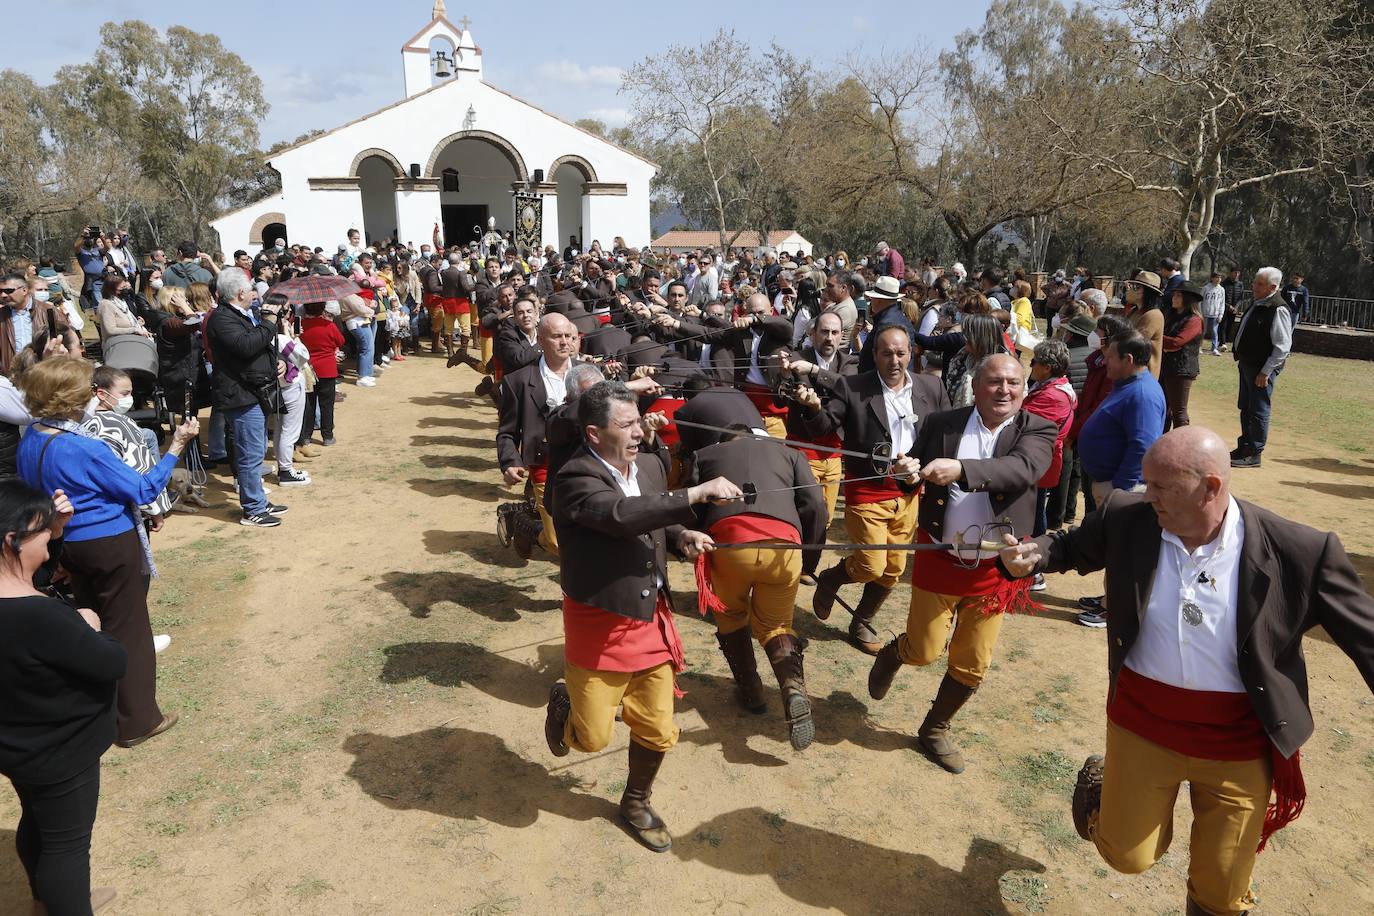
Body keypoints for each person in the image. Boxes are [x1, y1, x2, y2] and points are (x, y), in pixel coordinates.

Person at [997, 426, 1374, 916]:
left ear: (1210, 488)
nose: (1147, 495)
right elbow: (1068, 547)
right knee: (1127, 856)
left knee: (1221, 891)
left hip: (1238, 743)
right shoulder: (1129, 518)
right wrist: (1033, 556)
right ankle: (1099, 791)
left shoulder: (1300, 551)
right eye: (1147, 483)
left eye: (1162, 487)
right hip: (1143, 724)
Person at [543, 381, 739, 852]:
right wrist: (695, 494)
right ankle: (566, 707)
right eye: (626, 424)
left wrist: (680, 536)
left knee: (658, 726)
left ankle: (635, 801)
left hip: (650, 615)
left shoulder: (648, 465)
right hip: (598, 622)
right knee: (592, 738)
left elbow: (654, 517)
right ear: (594, 433)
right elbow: (619, 515)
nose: (638, 431)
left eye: (638, 421)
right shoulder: (573, 478)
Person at [867, 353, 1055, 773]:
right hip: (940, 555)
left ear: (1024, 389)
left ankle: (935, 729)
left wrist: (961, 469)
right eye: (994, 382)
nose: (1004, 390)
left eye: (1013, 383)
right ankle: (895, 654)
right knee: (923, 650)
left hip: (997, 566)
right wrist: (906, 471)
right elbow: (911, 474)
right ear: (975, 386)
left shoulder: (1038, 428)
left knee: (973, 661)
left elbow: (1022, 469)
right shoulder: (942, 423)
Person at [15, 357, 198, 748]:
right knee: (128, 629)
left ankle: (104, 713)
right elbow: (144, 489)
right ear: (69, 397)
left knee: (92, 625)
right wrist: (175, 447)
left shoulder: (31, 438)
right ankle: (138, 722)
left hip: (66, 543)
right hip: (109, 544)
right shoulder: (84, 448)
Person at [0, 481, 128, 916]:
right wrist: (90, 626)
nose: (48, 540)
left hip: (16, 744)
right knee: (67, 846)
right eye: (42, 532)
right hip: (61, 749)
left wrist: (56, 530)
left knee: (38, 820)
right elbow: (112, 662)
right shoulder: (42, 616)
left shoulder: (17, 602)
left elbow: (26, 576)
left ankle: (44, 903)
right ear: (12, 540)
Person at [797, 324, 951, 654]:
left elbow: (945, 434)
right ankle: (831, 579)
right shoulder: (853, 387)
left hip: (909, 492)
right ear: (875, 354)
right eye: (886, 354)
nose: (894, 361)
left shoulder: (932, 386)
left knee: (894, 569)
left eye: (901, 353)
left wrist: (928, 468)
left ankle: (861, 621)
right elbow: (824, 428)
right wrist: (813, 408)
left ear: (911, 353)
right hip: (867, 491)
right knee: (870, 565)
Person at [687, 427, 826, 749]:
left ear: (723, 443)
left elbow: (691, 508)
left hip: (730, 545)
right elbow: (816, 505)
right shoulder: (791, 453)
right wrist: (809, 560)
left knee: (731, 616)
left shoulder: (705, 455)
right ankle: (792, 688)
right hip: (784, 549)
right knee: (776, 626)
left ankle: (751, 692)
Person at [204, 270, 287, 527]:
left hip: (252, 391)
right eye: (251, 289)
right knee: (250, 453)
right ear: (241, 293)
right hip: (240, 395)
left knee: (257, 449)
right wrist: (269, 323)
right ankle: (253, 509)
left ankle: (258, 500)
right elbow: (246, 346)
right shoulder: (222, 318)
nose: (254, 293)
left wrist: (277, 362)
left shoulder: (239, 314)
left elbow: (257, 347)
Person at [497, 313, 579, 557]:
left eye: (568, 336)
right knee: (557, 543)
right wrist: (510, 461)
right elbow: (507, 431)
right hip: (545, 464)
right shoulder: (518, 381)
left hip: (586, 461)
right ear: (541, 340)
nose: (564, 342)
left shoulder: (590, 374)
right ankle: (523, 524)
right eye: (557, 336)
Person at [781, 311, 857, 529]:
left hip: (834, 453)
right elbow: (779, 398)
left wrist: (814, 371)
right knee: (805, 514)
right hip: (803, 450)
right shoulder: (796, 357)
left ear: (842, 335)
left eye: (835, 332)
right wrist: (784, 376)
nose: (829, 338)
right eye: (824, 332)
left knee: (826, 519)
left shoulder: (849, 361)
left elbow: (849, 387)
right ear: (812, 334)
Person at [1076, 331, 1166, 504]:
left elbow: (1142, 447)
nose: (1105, 362)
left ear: (1128, 360)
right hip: (1107, 484)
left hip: (1118, 490)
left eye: (1110, 358)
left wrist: (1118, 490)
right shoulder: (1127, 383)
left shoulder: (1143, 395)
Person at [1230, 267, 1292, 469]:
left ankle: (1254, 452)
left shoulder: (1278, 308)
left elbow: (1282, 346)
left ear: (1273, 287)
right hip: (1247, 365)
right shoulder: (1258, 303)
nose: (1254, 287)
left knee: (1258, 410)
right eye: (1255, 282)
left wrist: (1266, 371)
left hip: (1261, 370)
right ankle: (1244, 447)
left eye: (1260, 284)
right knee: (1246, 408)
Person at [1022, 340, 1077, 545]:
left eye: (1034, 361)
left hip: (1039, 460)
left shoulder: (1053, 396)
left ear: (1047, 367)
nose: (1031, 365)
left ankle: (1038, 549)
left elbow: (1024, 422)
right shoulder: (1052, 387)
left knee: (1035, 511)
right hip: (1042, 458)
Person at [1, 272, 78, 375]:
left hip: (43, 374)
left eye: (8, 291)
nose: (3, 295)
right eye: (0, 291)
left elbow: (70, 341)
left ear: (24, 290)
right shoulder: (2, 315)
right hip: (11, 375)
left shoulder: (49, 311)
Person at [299, 302, 345, 447]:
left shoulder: (301, 325)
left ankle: (306, 436)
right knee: (327, 405)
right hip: (327, 368)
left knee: (309, 404)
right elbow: (340, 341)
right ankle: (327, 436)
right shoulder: (328, 325)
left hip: (308, 368)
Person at [1161, 280, 1204, 431]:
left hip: (1181, 370)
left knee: (1178, 412)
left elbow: (1177, 342)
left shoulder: (1194, 320)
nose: (1174, 298)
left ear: (1188, 299)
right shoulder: (1170, 315)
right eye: (1174, 295)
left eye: (1178, 295)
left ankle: (1182, 443)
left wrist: (1158, 337)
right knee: (1164, 409)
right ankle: (1163, 441)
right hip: (1166, 366)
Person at [855, 276, 914, 374]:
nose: (871, 302)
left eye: (872, 299)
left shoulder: (885, 325)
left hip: (883, 378)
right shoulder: (900, 318)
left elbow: (871, 359)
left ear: (878, 300)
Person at [1122, 270, 1164, 378]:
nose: (1129, 289)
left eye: (1135, 287)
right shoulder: (1133, 311)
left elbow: (1134, 342)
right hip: (1129, 370)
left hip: (1143, 375)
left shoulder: (1153, 315)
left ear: (1145, 292)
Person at [1219, 266, 1245, 352]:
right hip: (1224, 308)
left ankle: (1224, 342)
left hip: (1234, 310)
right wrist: (1228, 306)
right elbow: (1221, 298)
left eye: (1238, 273)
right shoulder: (1223, 284)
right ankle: (1222, 343)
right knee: (1223, 325)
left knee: (1230, 326)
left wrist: (1236, 307)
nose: (1236, 274)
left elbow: (1241, 298)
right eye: (1235, 272)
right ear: (1231, 273)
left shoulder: (1240, 284)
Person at [1201, 273, 1226, 356]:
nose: (1218, 279)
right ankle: (1199, 346)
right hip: (1205, 314)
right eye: (1216, 277)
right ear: (1212, 278)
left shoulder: (1221, 289)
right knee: (1203, 331)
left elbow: (1222, 303)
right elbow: (1200, 301)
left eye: (1220, 277)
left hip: (1215, 314)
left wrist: (1220, 315)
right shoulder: (1206, 288)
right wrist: (1200, 312)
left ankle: (1214, 348)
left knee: (1214, 331)